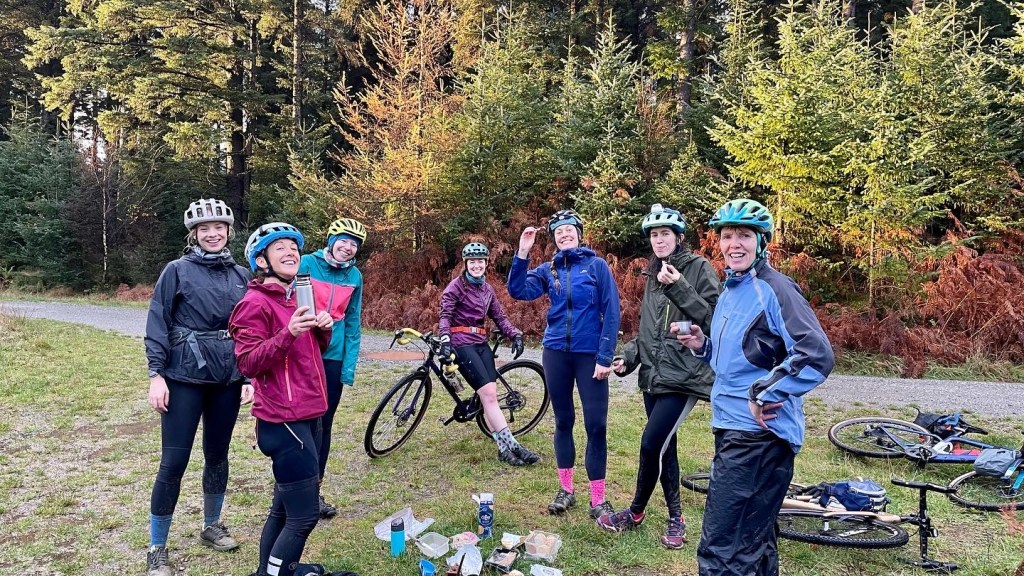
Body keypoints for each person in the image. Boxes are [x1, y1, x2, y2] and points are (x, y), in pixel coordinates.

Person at [674, 199, 835, 575]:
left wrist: (764, 393)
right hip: (734, 428)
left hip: (757, 438)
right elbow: (738, 360)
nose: (734, 244)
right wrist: (703, 345)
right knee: (754, 545)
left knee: (722, 551)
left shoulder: (774, 288)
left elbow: (815, 354)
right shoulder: (733, 287)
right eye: (727, 236)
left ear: (762, 241)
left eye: (744, 235)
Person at [597, 204, 720, 549]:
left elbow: (715, 320)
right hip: (655, 375)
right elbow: (648, 331)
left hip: (684, 376)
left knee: (652, 444)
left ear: (679, 237)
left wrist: (680, 286)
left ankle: (635, 511)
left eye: (665, 233)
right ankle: (676, 516)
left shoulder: (698, 268)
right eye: (654, 234)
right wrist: (630, 357)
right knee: (666, 446)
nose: (659, 239)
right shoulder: (653, 273)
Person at [229, 222, 346, 576]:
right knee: (304, 515)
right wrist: (288, 332)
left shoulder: (296, 298)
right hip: (283, 420)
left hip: (310, 414)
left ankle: (270, 569)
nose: (290, 252)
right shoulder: (253, 303)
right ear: (261, 261)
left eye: (293, 247)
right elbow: (247, 361)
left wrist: (321, 330)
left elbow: (308, 352)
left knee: (282, 509)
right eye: (279, 248)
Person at [144, 198, 253, 576]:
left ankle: (211, 525)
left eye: (218, 228)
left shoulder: (242, 274)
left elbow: (250, 329)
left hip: (227, 378)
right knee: (174, 462)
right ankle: (157, 548)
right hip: (183, 378)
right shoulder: (176, 270)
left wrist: (249, 377)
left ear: (228, 232)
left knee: (217, 455)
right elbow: (158, 321)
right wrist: (156, 374)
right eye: (204, 229)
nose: (212, 234)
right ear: (194, 234)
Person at [508, 209, 621, 518]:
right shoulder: (549, 270)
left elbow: (612, 311)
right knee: (563, 421)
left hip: (589, 356)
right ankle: (566, 490)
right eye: (559, 232)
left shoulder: (597, 267)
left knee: (596, 425)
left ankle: (597, 499)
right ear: (554, 239)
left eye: (569, 229)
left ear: (579, 234)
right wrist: (522, 253)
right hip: (556, 352)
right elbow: (518, 290)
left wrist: (605, 356)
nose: (564, 234)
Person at [438, 241, 541, 466]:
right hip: (461, 342)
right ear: (465, 264)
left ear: (486, 264)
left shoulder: (487, 288)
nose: (476, 265)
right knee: (490, 396)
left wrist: (515, 333)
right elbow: (445, 315)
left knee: (489, 397)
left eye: (480, 261)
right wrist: (445, 338)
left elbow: (499, 316)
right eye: (472, 262)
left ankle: (503, 449)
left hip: (480, 343)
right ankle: (513, 444)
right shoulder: (456, 287)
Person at [298, 218, 366, 519]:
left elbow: (352, 322)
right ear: (331, 239)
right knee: (301, 422)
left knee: (324, 424)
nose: (348, 247)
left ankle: (314, 492)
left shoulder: (355, 276)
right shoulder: (306, 264)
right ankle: (290, 488)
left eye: (354, 244)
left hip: (333, 357)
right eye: (344, 240)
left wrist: (348, 367)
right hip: (302, 352)